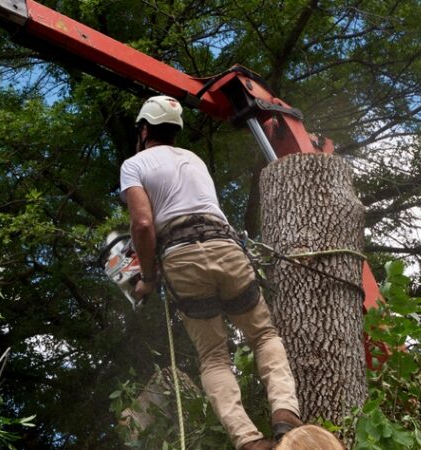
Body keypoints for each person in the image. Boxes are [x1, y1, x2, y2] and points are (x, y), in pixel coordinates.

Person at [119, 96, 303, 450]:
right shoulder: (194, 159)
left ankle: (248, 440)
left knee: (214, 356)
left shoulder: (134, 163)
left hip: (181, 258)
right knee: (263, 335)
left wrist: (149, 278)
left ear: (143, 129)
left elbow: (143, 223)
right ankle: (285, 413)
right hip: (225, 246)